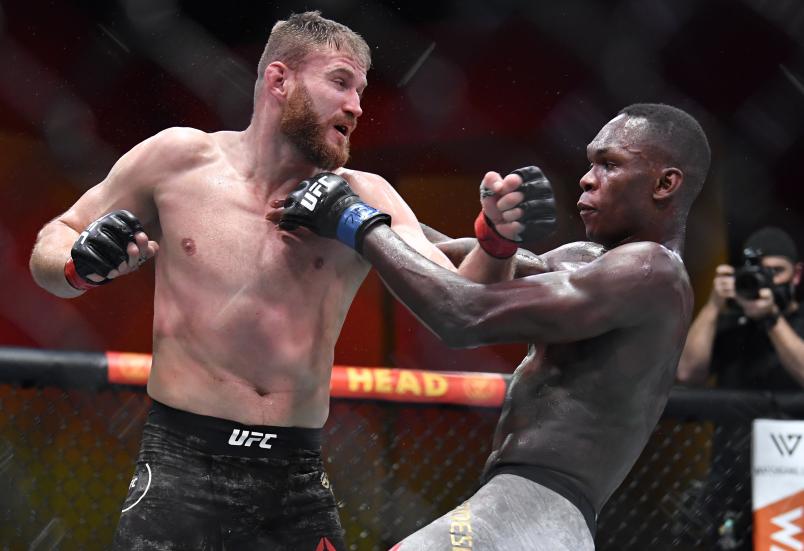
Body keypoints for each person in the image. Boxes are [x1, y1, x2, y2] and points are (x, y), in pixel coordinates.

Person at [27, 11, 527, 550]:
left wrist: (496, 241)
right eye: (340, 82)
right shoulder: (178, 160)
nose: (357, 106)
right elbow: (52, 246)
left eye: (361, 89)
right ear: (279, 79)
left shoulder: (366, 195)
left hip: (296, 478)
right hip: (181, 466)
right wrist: (78, 264)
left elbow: (459, 297)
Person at [280, 103, 711, 550]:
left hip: (536, 507)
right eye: (590, 163)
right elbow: (441, 254)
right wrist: (363, 193)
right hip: (524, 512)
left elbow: (464, 314)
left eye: (609, 164)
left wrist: (351, 218)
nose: (587, 178)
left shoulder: (652, 271)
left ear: (665, 183)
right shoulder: (587, 262)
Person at [676, 226, 804, 550]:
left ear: (797, 275)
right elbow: (688, 373)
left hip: (794, 476)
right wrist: (714, 306)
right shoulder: (733, 326)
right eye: (759, 273)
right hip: (732, 476)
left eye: (776, 271)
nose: (767, 281)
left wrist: (772, 319)